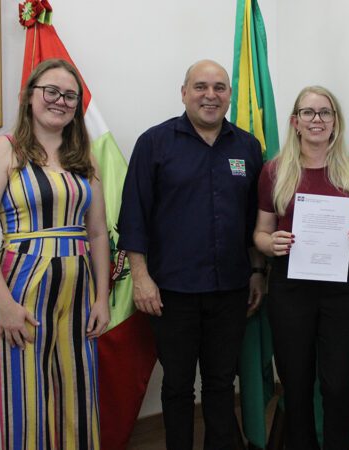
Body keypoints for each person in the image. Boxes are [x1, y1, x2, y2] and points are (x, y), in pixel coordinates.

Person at [117, 59, 265, 450]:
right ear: (184, 92)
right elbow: (133, 214)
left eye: (219, 87)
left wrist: (256, 272)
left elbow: (254, 220)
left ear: (230, 95)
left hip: (230, 288)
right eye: (201, 86)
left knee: (221, 381)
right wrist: (141, 277)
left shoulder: (248, 147)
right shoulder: (154, 143)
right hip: (172, 291)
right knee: (178, 384)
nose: (210, 95)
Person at [0, 58, 110, 449]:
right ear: (30, 96)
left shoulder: (85, 159)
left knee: (78, 399)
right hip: (21, 295)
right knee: (26, 404)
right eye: (52, 91)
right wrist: (5, 304)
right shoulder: (3, 152)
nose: (60, 101)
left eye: (70, 96)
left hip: (79, 298)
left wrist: (102, 298)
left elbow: (97, 233)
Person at [253, 86, 349, 449]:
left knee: (339, 383)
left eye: (325, 113)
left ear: (336, 122)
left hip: (341, 291)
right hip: (291, 289)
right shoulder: (274, 171)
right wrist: (270, 244)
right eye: (308, 113)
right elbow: (260, 232)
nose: (317, 120)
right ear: (295, 122)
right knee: (296, 380)